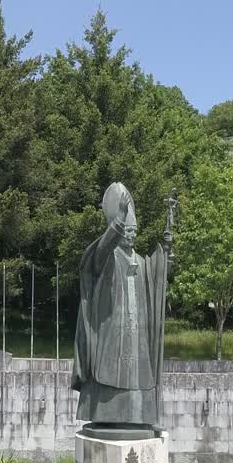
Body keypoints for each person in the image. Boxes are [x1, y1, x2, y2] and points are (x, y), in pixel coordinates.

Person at [72, 182, 174, 438]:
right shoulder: (105, 258)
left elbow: (158, 280)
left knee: (139, 372)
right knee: (110, 370)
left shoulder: (140, 261)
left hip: (137, 331)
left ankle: (142, 417)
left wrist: (168, 254)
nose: (131, 235)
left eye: (133, 230)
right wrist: (117, 219)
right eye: (126, 230)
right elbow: (103, 249)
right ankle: (106, 414)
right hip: (111, 334)